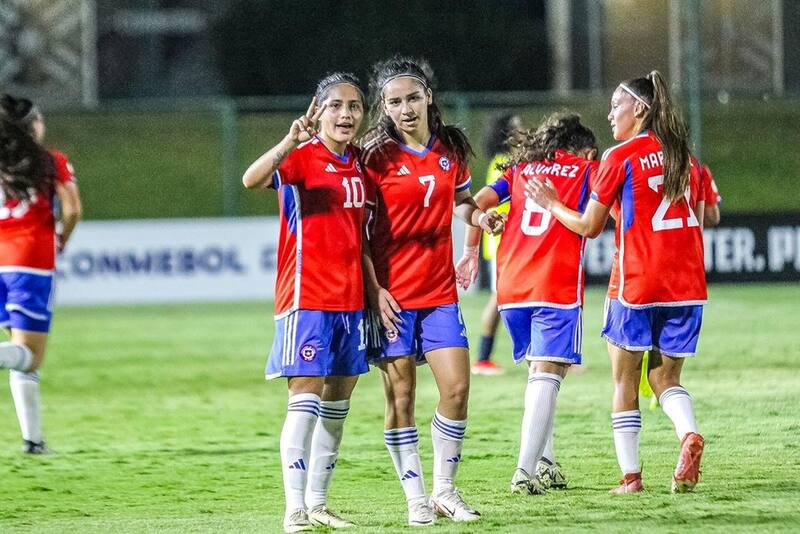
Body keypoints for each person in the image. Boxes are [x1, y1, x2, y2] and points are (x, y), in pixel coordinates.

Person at [527, 71, 707, 494]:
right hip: (687, 285)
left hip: (636, 284)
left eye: (616, 105)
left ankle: (632, 478)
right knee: (665, 381)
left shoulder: (619, 155)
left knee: (625, 382)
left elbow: (589, 227)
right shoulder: (687, 158)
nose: (610, 113)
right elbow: (695, 218)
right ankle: (689, 435)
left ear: (640, 109)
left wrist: (551, 203)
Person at [360, 56, 503, 526]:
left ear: (428, 98)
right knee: (400, 398)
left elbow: (462, 201)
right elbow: (357, 231)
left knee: (458, 389)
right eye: (395, 101)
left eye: (413, 98)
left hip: (439, 292)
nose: (406, 108)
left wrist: (480, 218)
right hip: (393, 297)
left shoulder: (450, 150)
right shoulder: (373, 158)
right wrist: (374, 290)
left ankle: (445, 489)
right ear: (384, 107)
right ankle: (415, 497)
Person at [242, 73, 370, 533]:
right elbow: (251, 179)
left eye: (354, 106)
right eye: (335, 105)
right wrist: (288, 140)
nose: (345, 114)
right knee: (305, 398)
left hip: (350, 302)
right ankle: (293, 508)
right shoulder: (302, 158)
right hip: (307, 298)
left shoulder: (359, 163)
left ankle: (318, 503)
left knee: (338, 401)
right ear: (317, 110)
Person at [456, 113, 598, 495]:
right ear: (582, 150)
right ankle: (524, 470)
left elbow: (475, 204)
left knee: (542, 375)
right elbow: (597, 220)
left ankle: (546, 460)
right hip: (554, 282)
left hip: (511, 284)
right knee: (548, 375)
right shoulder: (586, 170)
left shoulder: (519, 169)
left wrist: (471, 250)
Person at [0, 94, 82, 454]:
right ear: (32, 125)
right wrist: (61, 238)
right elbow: (73, 209)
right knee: (29, 355)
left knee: (18, 351)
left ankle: (33, 440)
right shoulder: (52, 161)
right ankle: (33, 440)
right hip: (30, 260)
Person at [472, 112, 522, 376]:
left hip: (508, 244)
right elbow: (494, 202)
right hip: (503, 244)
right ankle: (482, 358)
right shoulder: (503, 163)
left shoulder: (505, 162)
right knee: (498, 299)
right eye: (516, 127)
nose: (521, 130)